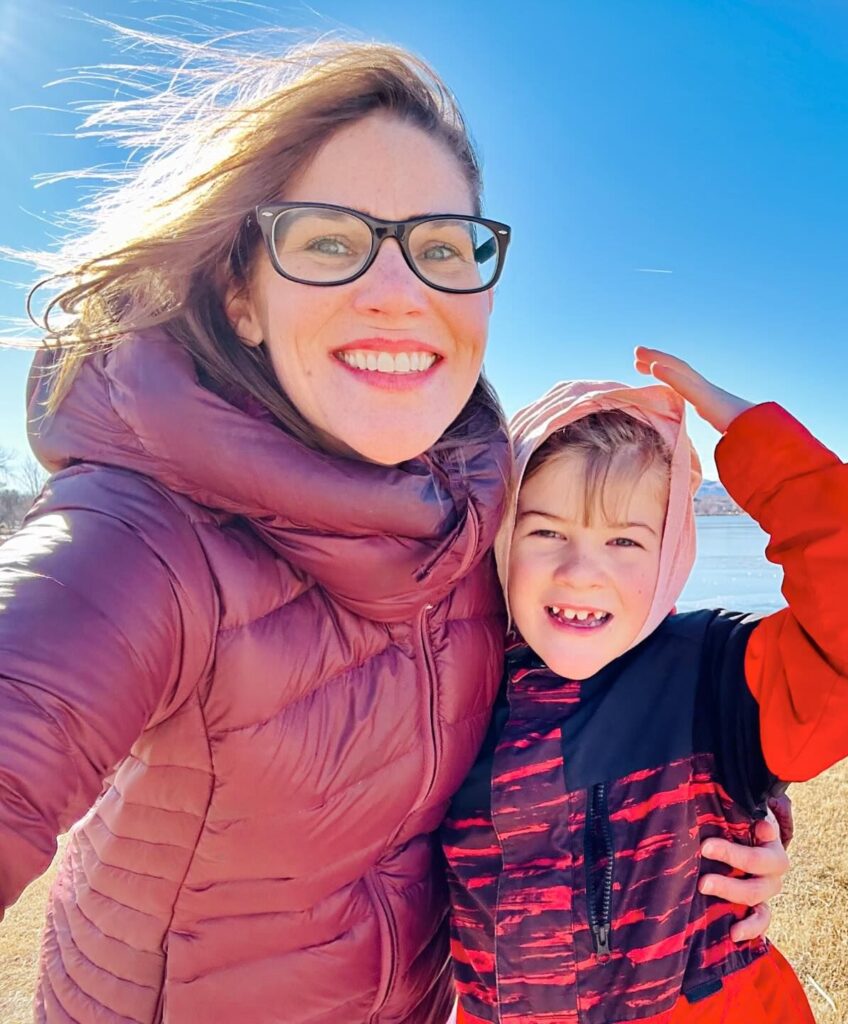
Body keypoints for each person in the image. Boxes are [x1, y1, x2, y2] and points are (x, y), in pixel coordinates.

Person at [0, 34, 789, 1024]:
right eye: (329, 238)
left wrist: (728, 811)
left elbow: (584, 688)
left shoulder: (476, 526)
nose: (400, 289)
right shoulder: (147, 534)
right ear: (242, 293)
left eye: (444, 247)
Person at [441, 348, 848, 1023]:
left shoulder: (718, 679)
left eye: (625, 542)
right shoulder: (451, 690)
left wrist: (757, 442)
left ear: (674, 547)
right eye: (545, 532)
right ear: (502, 538)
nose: (580, 572)